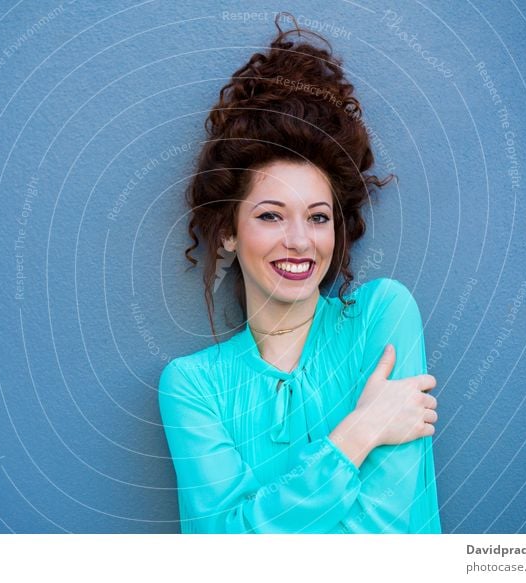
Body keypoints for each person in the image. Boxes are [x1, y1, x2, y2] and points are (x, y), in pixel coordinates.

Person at [158, 13, 441, 534]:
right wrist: (361, 431)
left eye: (317, 217)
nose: (300, 240)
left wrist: (257, 523)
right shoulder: (192, 387)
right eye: (270, 215)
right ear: (227, 232)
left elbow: (391, 537)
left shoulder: (382, 316)